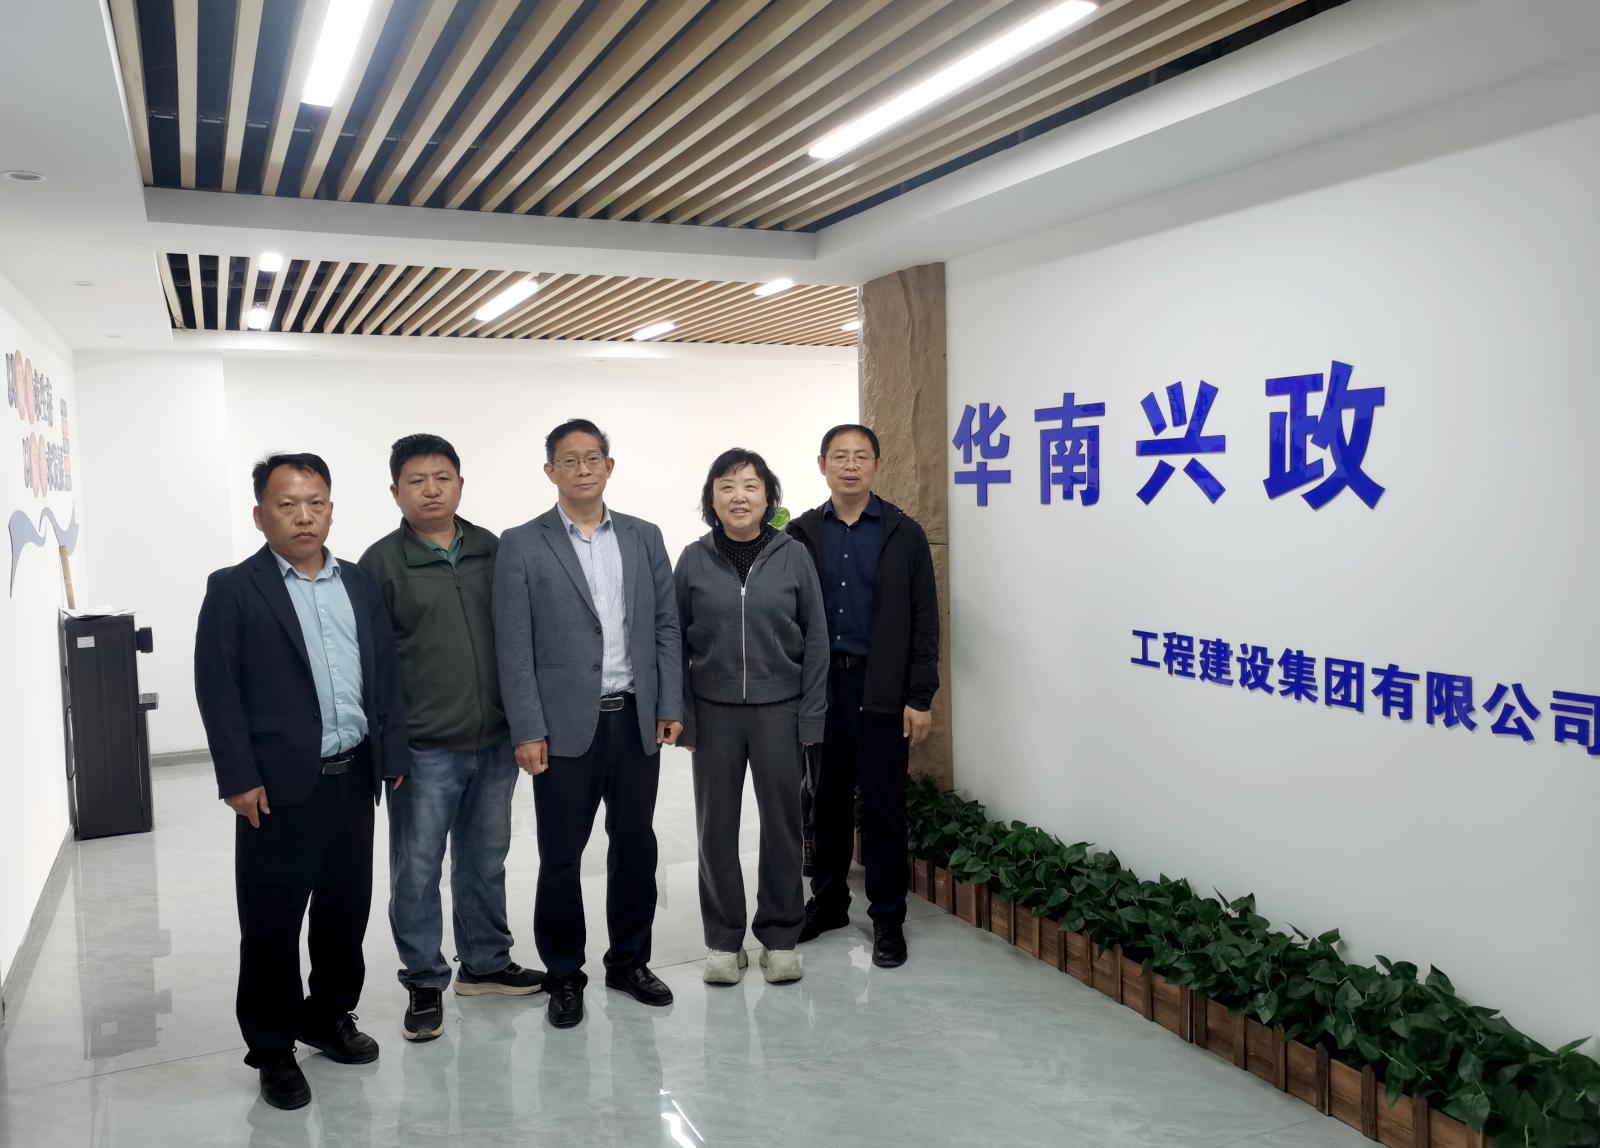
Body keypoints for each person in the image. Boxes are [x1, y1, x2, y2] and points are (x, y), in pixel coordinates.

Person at [194, 453, 407, 1110]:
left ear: (332, 510)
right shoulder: (235, 588)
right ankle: (272, 1047)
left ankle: (328, 1015)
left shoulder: (358, 583)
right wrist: (238, 777)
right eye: (287, 505)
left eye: (315, 502)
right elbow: (218, 690)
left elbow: (385, 673)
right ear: (261, 515)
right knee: (272, 921)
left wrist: (391, 753)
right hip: (276, 786)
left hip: (353, 776)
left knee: (345, 910)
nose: (304, 516)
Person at [492, 419, 684, 1029]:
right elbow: (513, 647)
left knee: (636, 848)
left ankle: (629, 962)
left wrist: (669, 703)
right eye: (569, 460)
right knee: (561, 856)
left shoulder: (644, 536)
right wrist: (527, 728)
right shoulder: (522, 544)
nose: (583, 468)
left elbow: (665, 625)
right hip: (562, 729)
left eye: (593, 457)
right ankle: (564, 974)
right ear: (550, 470)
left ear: (609, 466)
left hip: (633, 718)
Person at [359, 434, 544, 1045]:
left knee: (485, 859)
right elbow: (372, 666)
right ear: (396, 492)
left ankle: (485, 963)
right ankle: (423, 979)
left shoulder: (494, 549)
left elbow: (520, 639)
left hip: (494, 741)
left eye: (442, 478)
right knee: (416, 869)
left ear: (461, 484)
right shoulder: (379, 565)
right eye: (416, 481)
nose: (431, 490)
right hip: (423, 747)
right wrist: (387, 748)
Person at [788, 424, 940, 968]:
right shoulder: (802, 534)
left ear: (877, 465)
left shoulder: (904, 533)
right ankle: (828, 902)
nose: (850, 465)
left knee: (883, 808)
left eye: (860, 456)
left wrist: (919, 696)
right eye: (839, 456)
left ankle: (888, 918)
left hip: (882, 689)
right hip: (822, 688)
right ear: (822, 464)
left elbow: (925, 620)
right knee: (824, 802)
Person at [674, 449, 828, 986]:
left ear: (768, 497)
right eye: (726, 486)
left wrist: (811, 717)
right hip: (713, 712)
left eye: (750, 486)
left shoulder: (793, 556)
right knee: (714, 829)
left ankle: (780, 938)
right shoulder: (693, 559)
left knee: (783, 827)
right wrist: (683, 714)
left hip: (779, 709)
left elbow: (816, 640)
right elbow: (673, 640)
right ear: (711, 498)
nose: (738, 496)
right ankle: (723, 941)